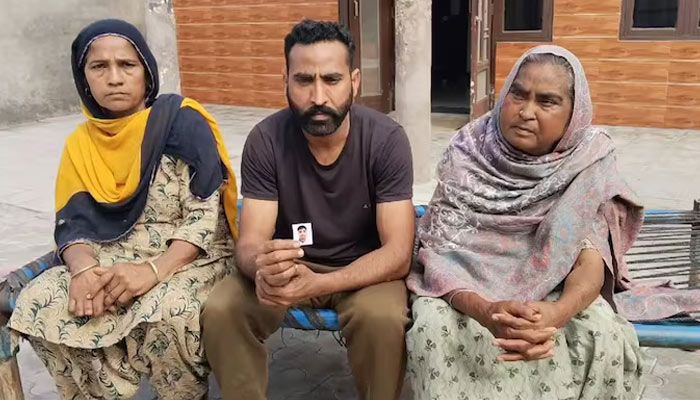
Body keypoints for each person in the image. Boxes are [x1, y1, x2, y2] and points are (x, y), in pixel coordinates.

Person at [7, 19, 238, 399]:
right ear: (84, 78)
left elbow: (204, 218)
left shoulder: (182, 121)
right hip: (111, 253)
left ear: (146, 72)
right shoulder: (80, 144)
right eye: (99, 67)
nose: (114, 78)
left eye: (127, 65)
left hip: (189, 255)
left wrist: (152, 271)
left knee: (171, 310)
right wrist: (83, 270)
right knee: (41, 300)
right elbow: (72, 225)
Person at [405, 45, 650, 399]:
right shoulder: (469, 151)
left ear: (573, 113)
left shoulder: (588, 162)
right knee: (434, 327)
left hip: (554, 287)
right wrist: (485, 310)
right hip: (461, 285)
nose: (525, 111)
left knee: (601, 332)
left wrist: (555, 314)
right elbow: (438, 251)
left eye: (547, 101)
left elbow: (590, 257)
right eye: (518, 94)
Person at [201, 20, 415, 400]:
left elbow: (398, 254)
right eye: (304, 80)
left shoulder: (386, 140)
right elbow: (249, 243)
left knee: (382, 318)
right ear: (285, 80)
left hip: (363, 273)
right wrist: (263, 267)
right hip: (289, 270)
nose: (318, 96)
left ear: (354, 82)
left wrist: (321, 283)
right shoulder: (266, 140)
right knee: (222, 309)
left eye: (332, 80)